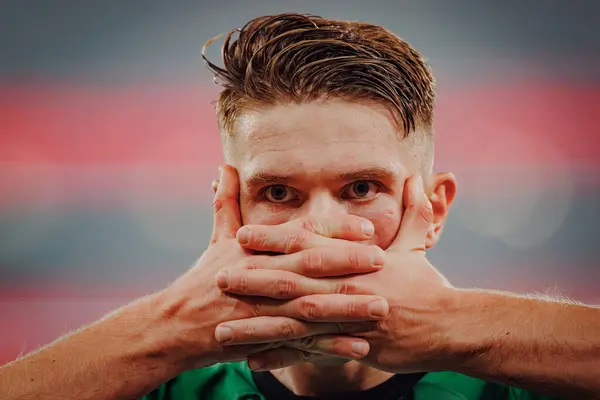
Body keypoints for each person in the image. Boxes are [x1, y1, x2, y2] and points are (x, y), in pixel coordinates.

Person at [0, 12, 598, 400]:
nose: (320, 230)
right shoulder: (156, 387)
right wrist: (173, 327)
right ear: (229, 208)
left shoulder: (528, 384)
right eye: (279, 193)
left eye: (361, 188)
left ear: (432, 210)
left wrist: (453, 324)